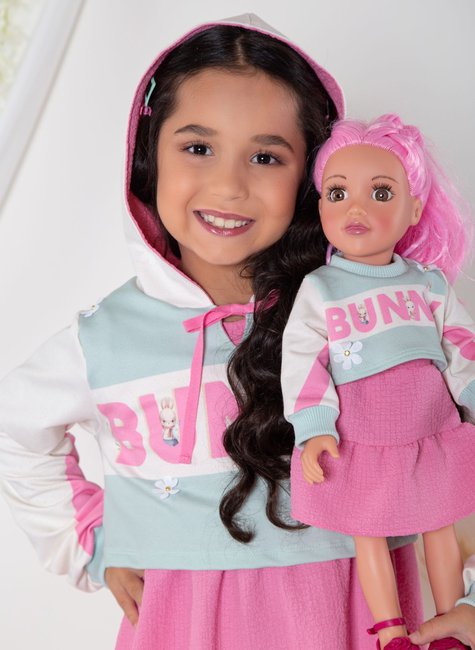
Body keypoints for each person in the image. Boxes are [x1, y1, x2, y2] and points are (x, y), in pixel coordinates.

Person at [0, 16, 422, 650]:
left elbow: (446, 434)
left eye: (266, 157)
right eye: (198, 147)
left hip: (363, 608)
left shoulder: (363, 308)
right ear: (149, 156)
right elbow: (16, 427)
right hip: (186, 624)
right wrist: (91, 541)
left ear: (310, 176)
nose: (229, 186)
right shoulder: (107, 338)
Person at [281, 113, 475, 649]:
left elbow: (461, 346)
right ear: (320, 206)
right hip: (363, 437)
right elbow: (302, 359)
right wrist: (314, 426)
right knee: (369, 534)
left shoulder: (428, 283)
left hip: (430, 430)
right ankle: (391, 632)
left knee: (439, 525)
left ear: (414, 208)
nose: (356, 208)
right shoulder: (321, 288)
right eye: (338, 193)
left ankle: (450, 622)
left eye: (381, 193)